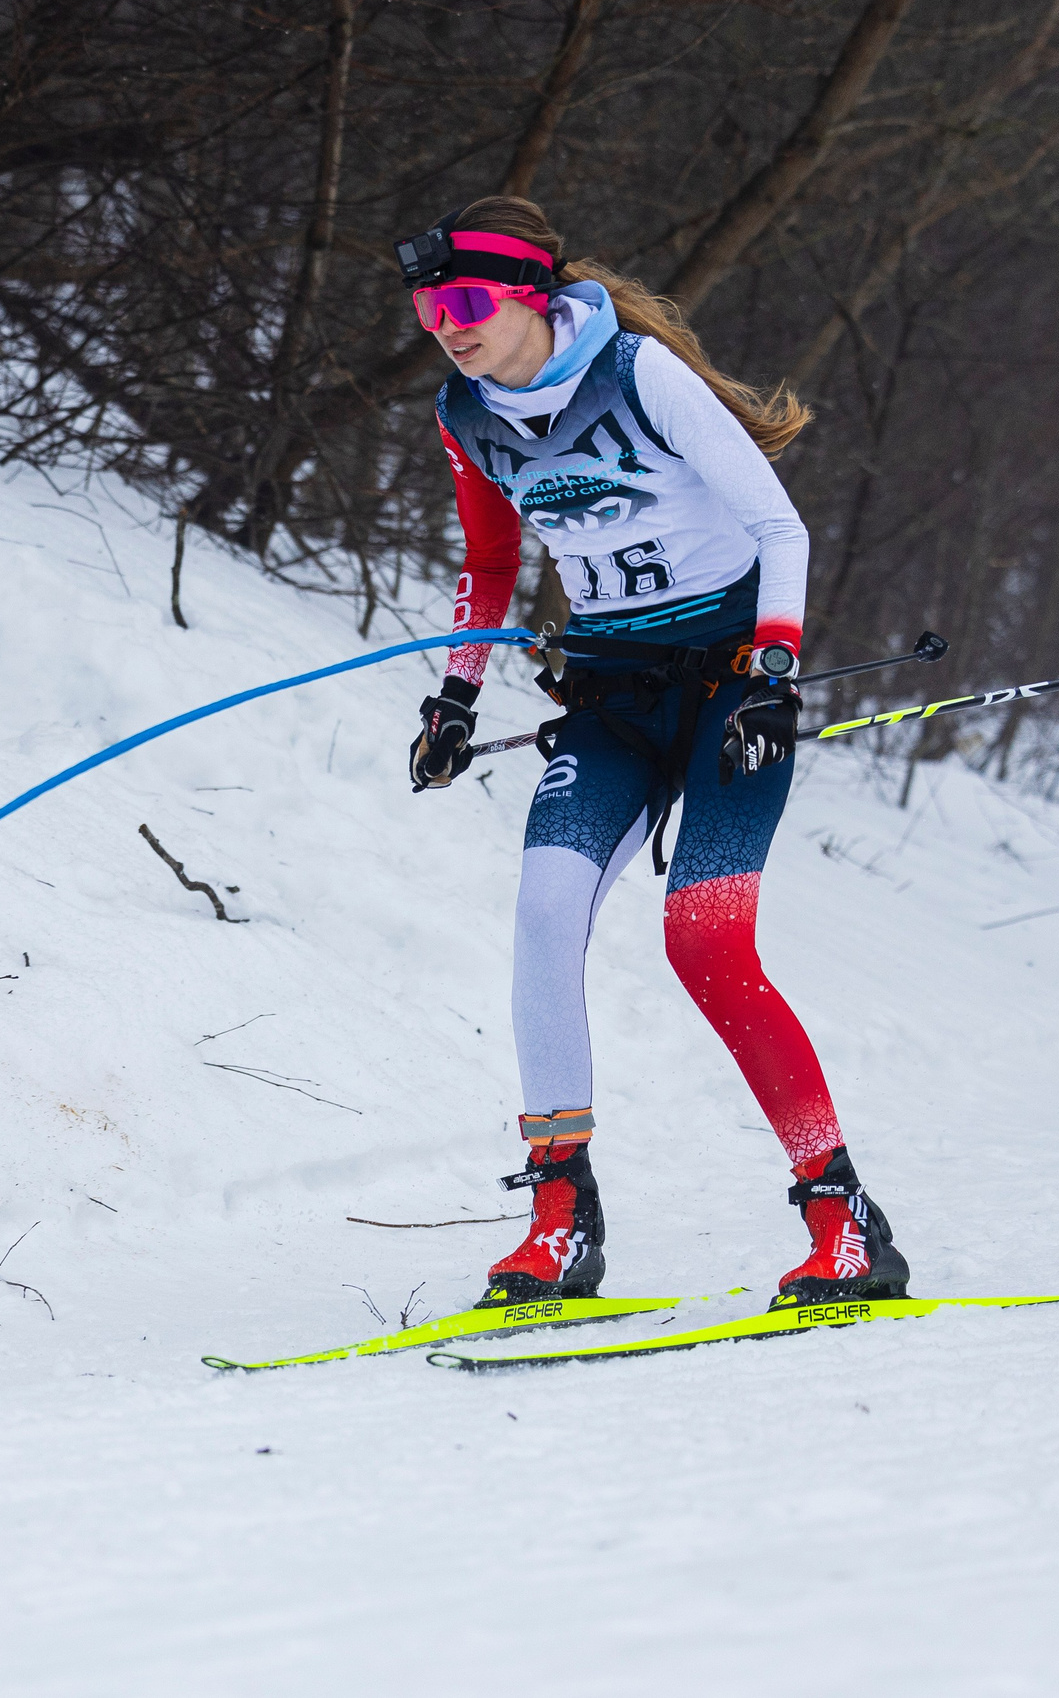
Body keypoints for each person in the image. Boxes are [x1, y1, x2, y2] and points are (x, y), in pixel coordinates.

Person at [397, 195, 908, 1307]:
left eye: (470, 299)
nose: (447, 322)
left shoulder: (637, 376)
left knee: (706, 945)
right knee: (542, 915)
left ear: (531, 293)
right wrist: (452, 698)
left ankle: (843, 1219)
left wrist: (772, 675)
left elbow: (782, 530)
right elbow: (489, 572)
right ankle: (560, 1221)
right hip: (613, 700)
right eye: (431, 306)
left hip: (730, 695)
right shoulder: (463, 413)